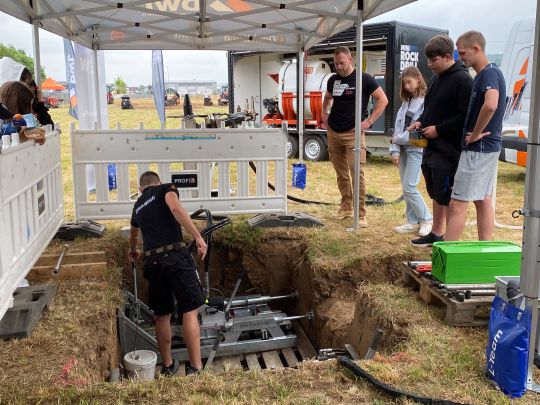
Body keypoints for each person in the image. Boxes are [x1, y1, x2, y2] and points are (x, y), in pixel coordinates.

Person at [128, 171, 208, 376]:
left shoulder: (137, 206)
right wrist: (198, 237)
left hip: (152, 262)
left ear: (140, 189)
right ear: (159, 182)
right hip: (175, 256)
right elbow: (175, 207)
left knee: (162, 315)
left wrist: (133, 250)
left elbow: (133, 234)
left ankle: (168, 365)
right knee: (189, 309)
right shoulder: (166, 188)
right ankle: (196, 368)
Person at [408, 35, 473, 247]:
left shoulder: (463, 80)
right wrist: (420, 122)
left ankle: (445, 236)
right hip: (430, 146)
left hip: (449, 148)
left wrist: (439, 129)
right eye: (428, 60)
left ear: (447, 56)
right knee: (434, 190)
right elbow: (431, 108)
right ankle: (436, 232)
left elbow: (465, 115)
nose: (429, 65)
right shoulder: (437, 77)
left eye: (433, 60)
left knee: (445, 193)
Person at [445, 31, 507, 241]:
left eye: (462, 53)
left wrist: (475, 134)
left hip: (478, 149)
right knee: (483, 200)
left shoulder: (489, 74)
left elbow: (491, 104)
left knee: (457, 204)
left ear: (476, 49)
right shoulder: (486, 74)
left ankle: (445, 258)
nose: (460, 57)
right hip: (488, 148)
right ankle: (485, 249)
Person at [322, 46, 389, 225]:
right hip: (334, 132)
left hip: (354, 134)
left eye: (342, 63)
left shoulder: (364, 79)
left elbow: (383, 100)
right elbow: (328, 98)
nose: (339, 67)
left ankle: (360, 214)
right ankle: (346, 207)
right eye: (336, 64)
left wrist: (368, 122)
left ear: (350, 60)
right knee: (341, 173)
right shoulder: (333, 80)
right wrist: (324, 114)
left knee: (357, 173)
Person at [389, 66, 433, 237]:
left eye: (409, 82)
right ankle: (412, 221)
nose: (407, 86)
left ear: (418, 79)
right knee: (406, 187)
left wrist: (395, 140)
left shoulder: (425, 102)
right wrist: (395, 150)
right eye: (404, 83)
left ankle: (427, 219)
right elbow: (399, 127)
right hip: (404, 150)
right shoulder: (405, 103)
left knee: (409, 187)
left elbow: (413, 133)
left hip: (416, 148)